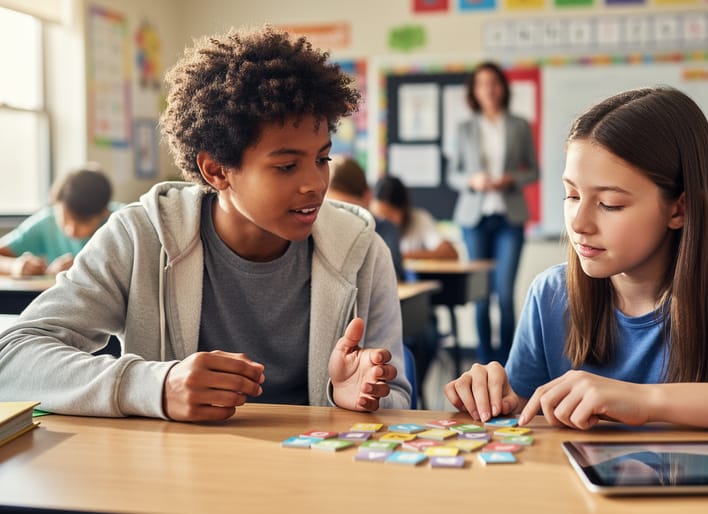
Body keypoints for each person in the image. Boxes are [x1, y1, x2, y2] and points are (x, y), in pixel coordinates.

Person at [0, 26, 411, 421]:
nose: (315, 184)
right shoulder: (140, 237)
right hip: (175, 475)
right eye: (287, 166)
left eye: (322, 159)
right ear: (216, 171)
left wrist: (356, 401)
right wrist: (156, 385)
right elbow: (12, 360)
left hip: (316, 474)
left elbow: (398, 401)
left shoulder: (363, 250)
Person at [444, 87, 708, 434]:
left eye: (610, 204)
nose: (578, 222)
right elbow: (525, 415)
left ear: (680, 208)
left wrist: (645, 401)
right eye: (572, 194)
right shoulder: (551, 293)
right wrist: (493, 396)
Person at [446, 61, 539, 365]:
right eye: (482, 84)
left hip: (509, 217)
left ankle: (510, 365)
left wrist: (511, 178)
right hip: (474, 218)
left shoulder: (519, 125)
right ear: (474, 90)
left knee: (505, 294)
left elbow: (533, 171)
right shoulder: (464, 128)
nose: (489, 89)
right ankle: (485, 366)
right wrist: (473, 181)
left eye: (494, 83)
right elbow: (453, 174)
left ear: (503, 88)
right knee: (481, 297)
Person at [0, 166, 119, 277]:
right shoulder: (48, 221)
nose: (71, 229)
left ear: (104, 212)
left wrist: (87, 269)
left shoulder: (122, 221)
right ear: (56, 205)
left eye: (83, 221)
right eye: (66, 218)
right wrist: (14, 266)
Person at [326, 156, 404, 279]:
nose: (339, 215)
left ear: (367, 198)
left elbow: (393, 277)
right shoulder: (317, 230)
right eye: (330, 207)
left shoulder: (385, 230)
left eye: (347, 208)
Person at [370, 175, 458, 261]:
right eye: (378, 217)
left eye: (388, 216)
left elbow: (450, 252)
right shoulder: (370, 225)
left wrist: (401, 256)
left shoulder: (420, 219)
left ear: (403, 209)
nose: (382, 222)